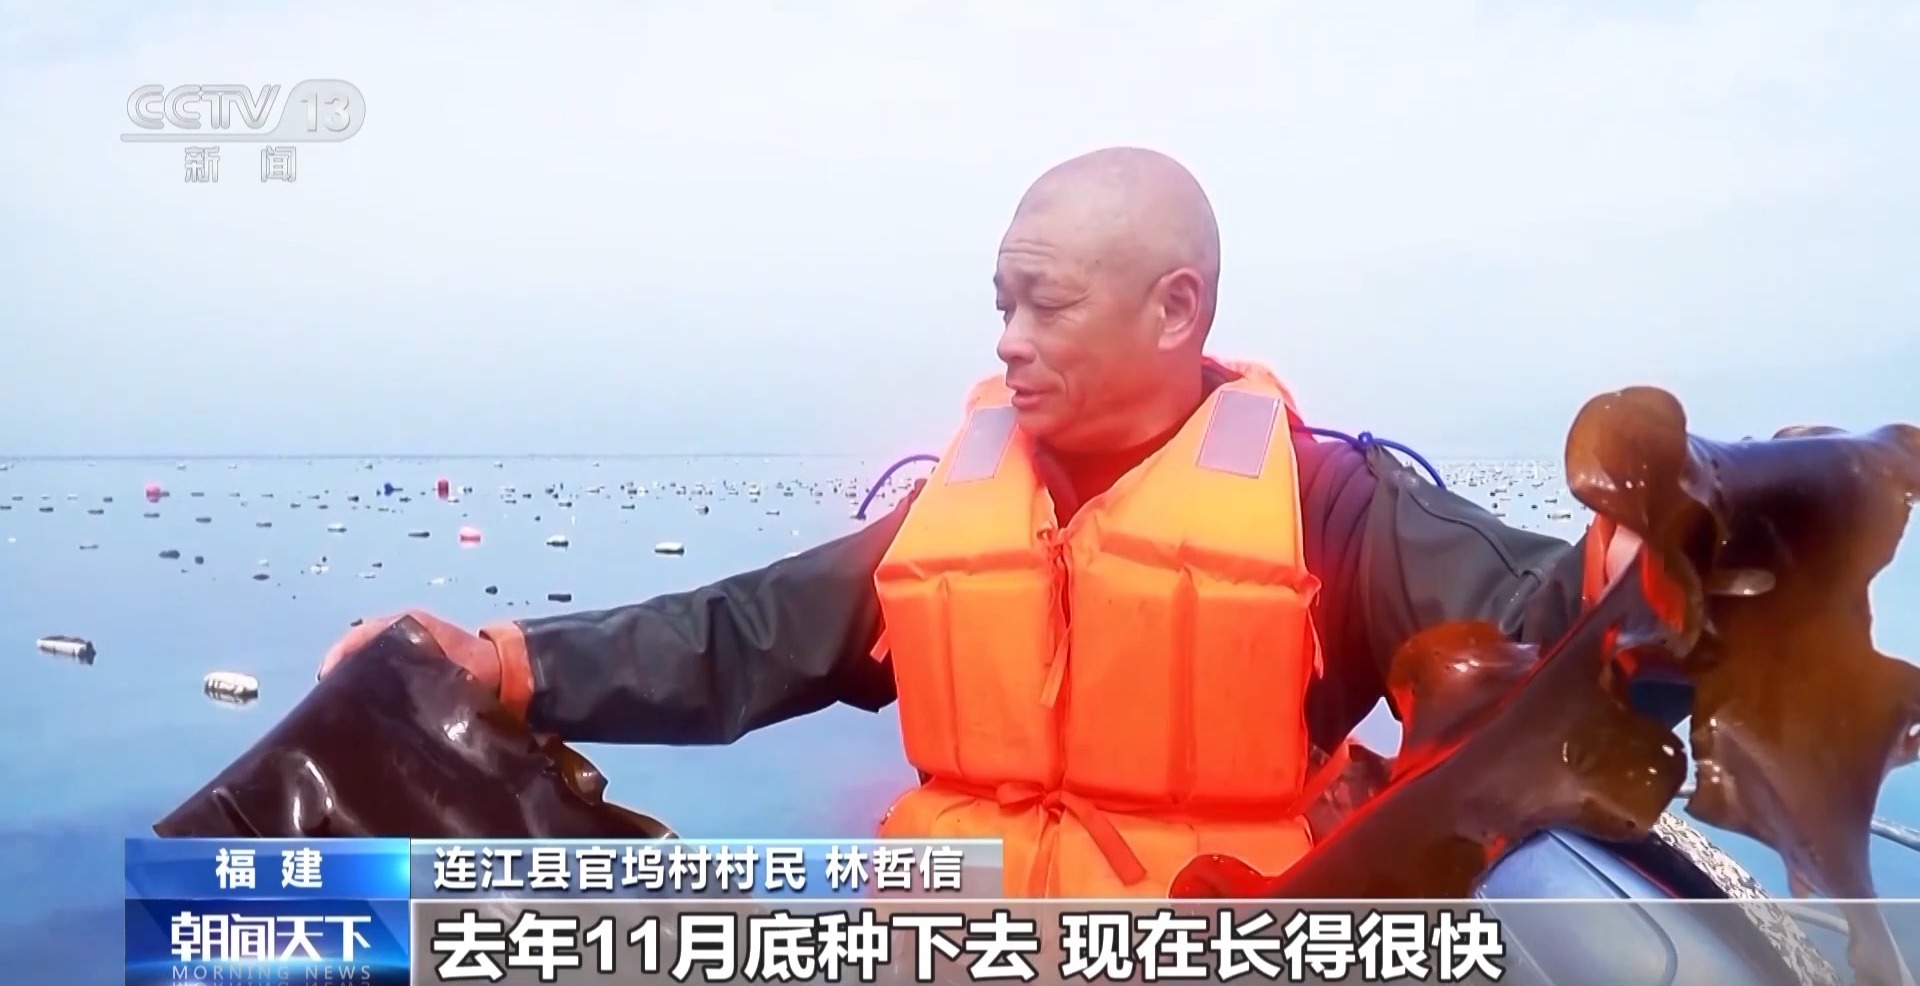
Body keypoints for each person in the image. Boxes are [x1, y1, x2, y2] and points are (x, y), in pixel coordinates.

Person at [320, 147, 1669, 898]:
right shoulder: (954, 518)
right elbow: (741, 636)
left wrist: (1639, 567)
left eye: (1045, 304)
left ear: (1177, 309)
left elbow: (1544, 618)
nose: (1008, 340)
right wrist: (506, 661)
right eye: (1000, 303)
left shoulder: (1331, 510)